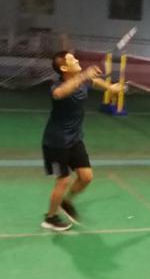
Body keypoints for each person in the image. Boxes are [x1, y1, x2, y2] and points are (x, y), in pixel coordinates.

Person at [41, 51, 122, 232]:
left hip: (75, 138)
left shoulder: (81, 80)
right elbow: (60, 94)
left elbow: (94, 82)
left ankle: (66, 202)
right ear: (64, 68)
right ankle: (50, 218)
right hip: (56, 142)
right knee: (63, 181)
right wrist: (84, 75)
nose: (77, 60)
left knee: (86, 177)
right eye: (73, 60)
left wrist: (110, 88)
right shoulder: (57, 86)